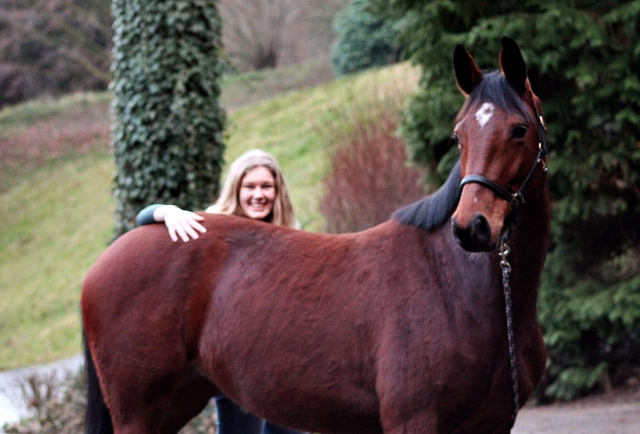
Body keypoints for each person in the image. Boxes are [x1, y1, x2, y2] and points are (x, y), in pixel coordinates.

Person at [136, 149, 303, 434]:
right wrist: (169, 212)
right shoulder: (213, 227)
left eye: (266, 186)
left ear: (278, 191)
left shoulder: (292, 233)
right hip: (231, 364)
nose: (258, 195)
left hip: (280, 364)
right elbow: (143, 217)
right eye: (249, 187)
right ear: (236, 189)